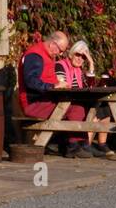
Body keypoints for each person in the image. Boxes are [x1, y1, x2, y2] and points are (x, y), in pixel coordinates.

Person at [18, 30, 90, 158]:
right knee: (73, 108)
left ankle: (81, 145)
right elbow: (31, 81)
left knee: (78, 106)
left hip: (46, 100)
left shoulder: (47, 55)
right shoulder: (35, 55)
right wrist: (53, 86)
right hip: (34, 103)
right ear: (52, 44)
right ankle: (74, 146)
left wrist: (60, 84)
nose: (61, 54)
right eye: (61, 50)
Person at [58, 39, 108, 157]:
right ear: (71, 54)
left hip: (77, 100)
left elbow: (88, 86)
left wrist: (91, 63)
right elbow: (61, 86)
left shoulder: (79, 71)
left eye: (83, 57)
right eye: (78, 55)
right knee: (86, 109)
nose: (80, 59)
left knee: (104, 109)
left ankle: (88, 145)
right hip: (64, 102)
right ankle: (80, 145)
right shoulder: (61, 65)